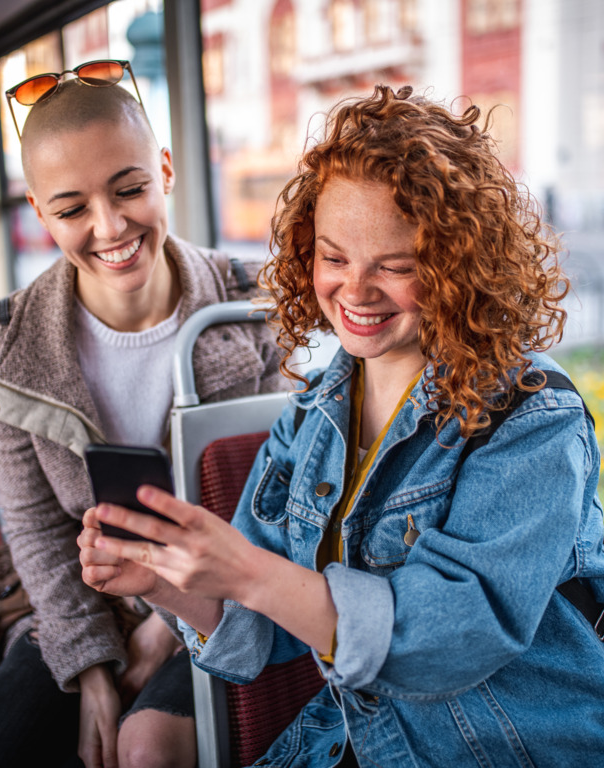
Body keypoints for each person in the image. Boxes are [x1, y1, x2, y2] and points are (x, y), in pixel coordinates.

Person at [78, 84, 604, 768]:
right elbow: (262, 629)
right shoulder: (314, 414)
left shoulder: (534, 419)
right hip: (357, 740)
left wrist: (252, 572)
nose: (355, 292)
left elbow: (453, 638)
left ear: (456, 268)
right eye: (333, 259)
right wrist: (163, 581)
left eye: (397, 267)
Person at [0, 62, 285, 768]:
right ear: (40, 212)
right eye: (73, 208)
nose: (110, 228)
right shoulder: (3, 343)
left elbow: (275, 503)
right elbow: (36, 526)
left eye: (130, 189)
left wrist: (170, 623)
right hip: (90, 603)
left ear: (165, 170)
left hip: (223, 604)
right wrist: (90, 670)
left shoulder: (251, 306)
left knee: (146, 754)